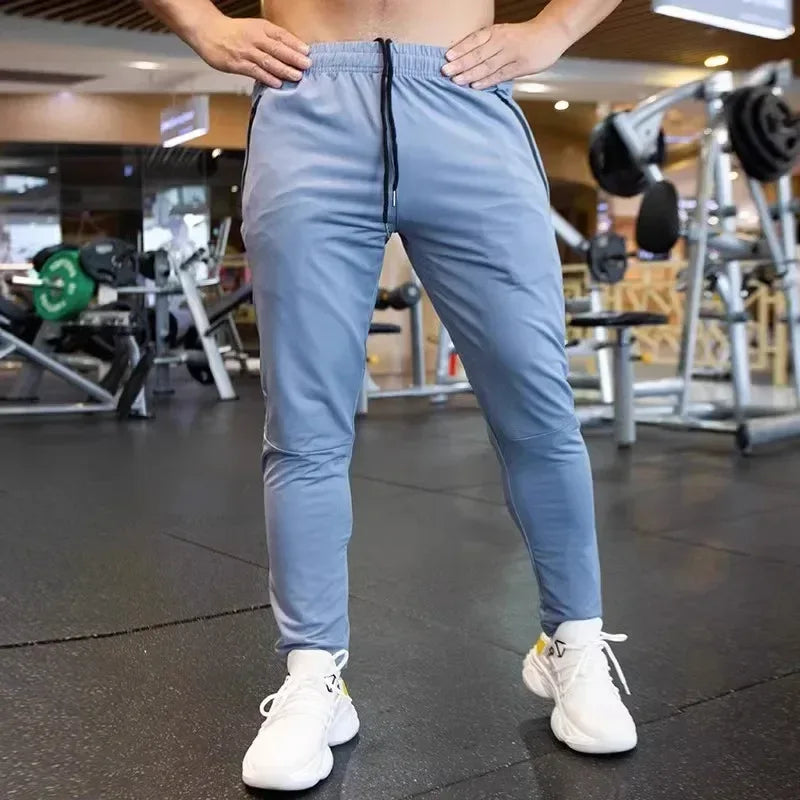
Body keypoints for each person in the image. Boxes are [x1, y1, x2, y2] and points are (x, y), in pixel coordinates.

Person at [142, 0, 635, 791]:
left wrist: (554, 30)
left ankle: (572, 641)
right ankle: (314, 676)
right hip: (309, 103)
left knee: (539, 408)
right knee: (304, 426)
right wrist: (201, 21)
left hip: (463, 97)